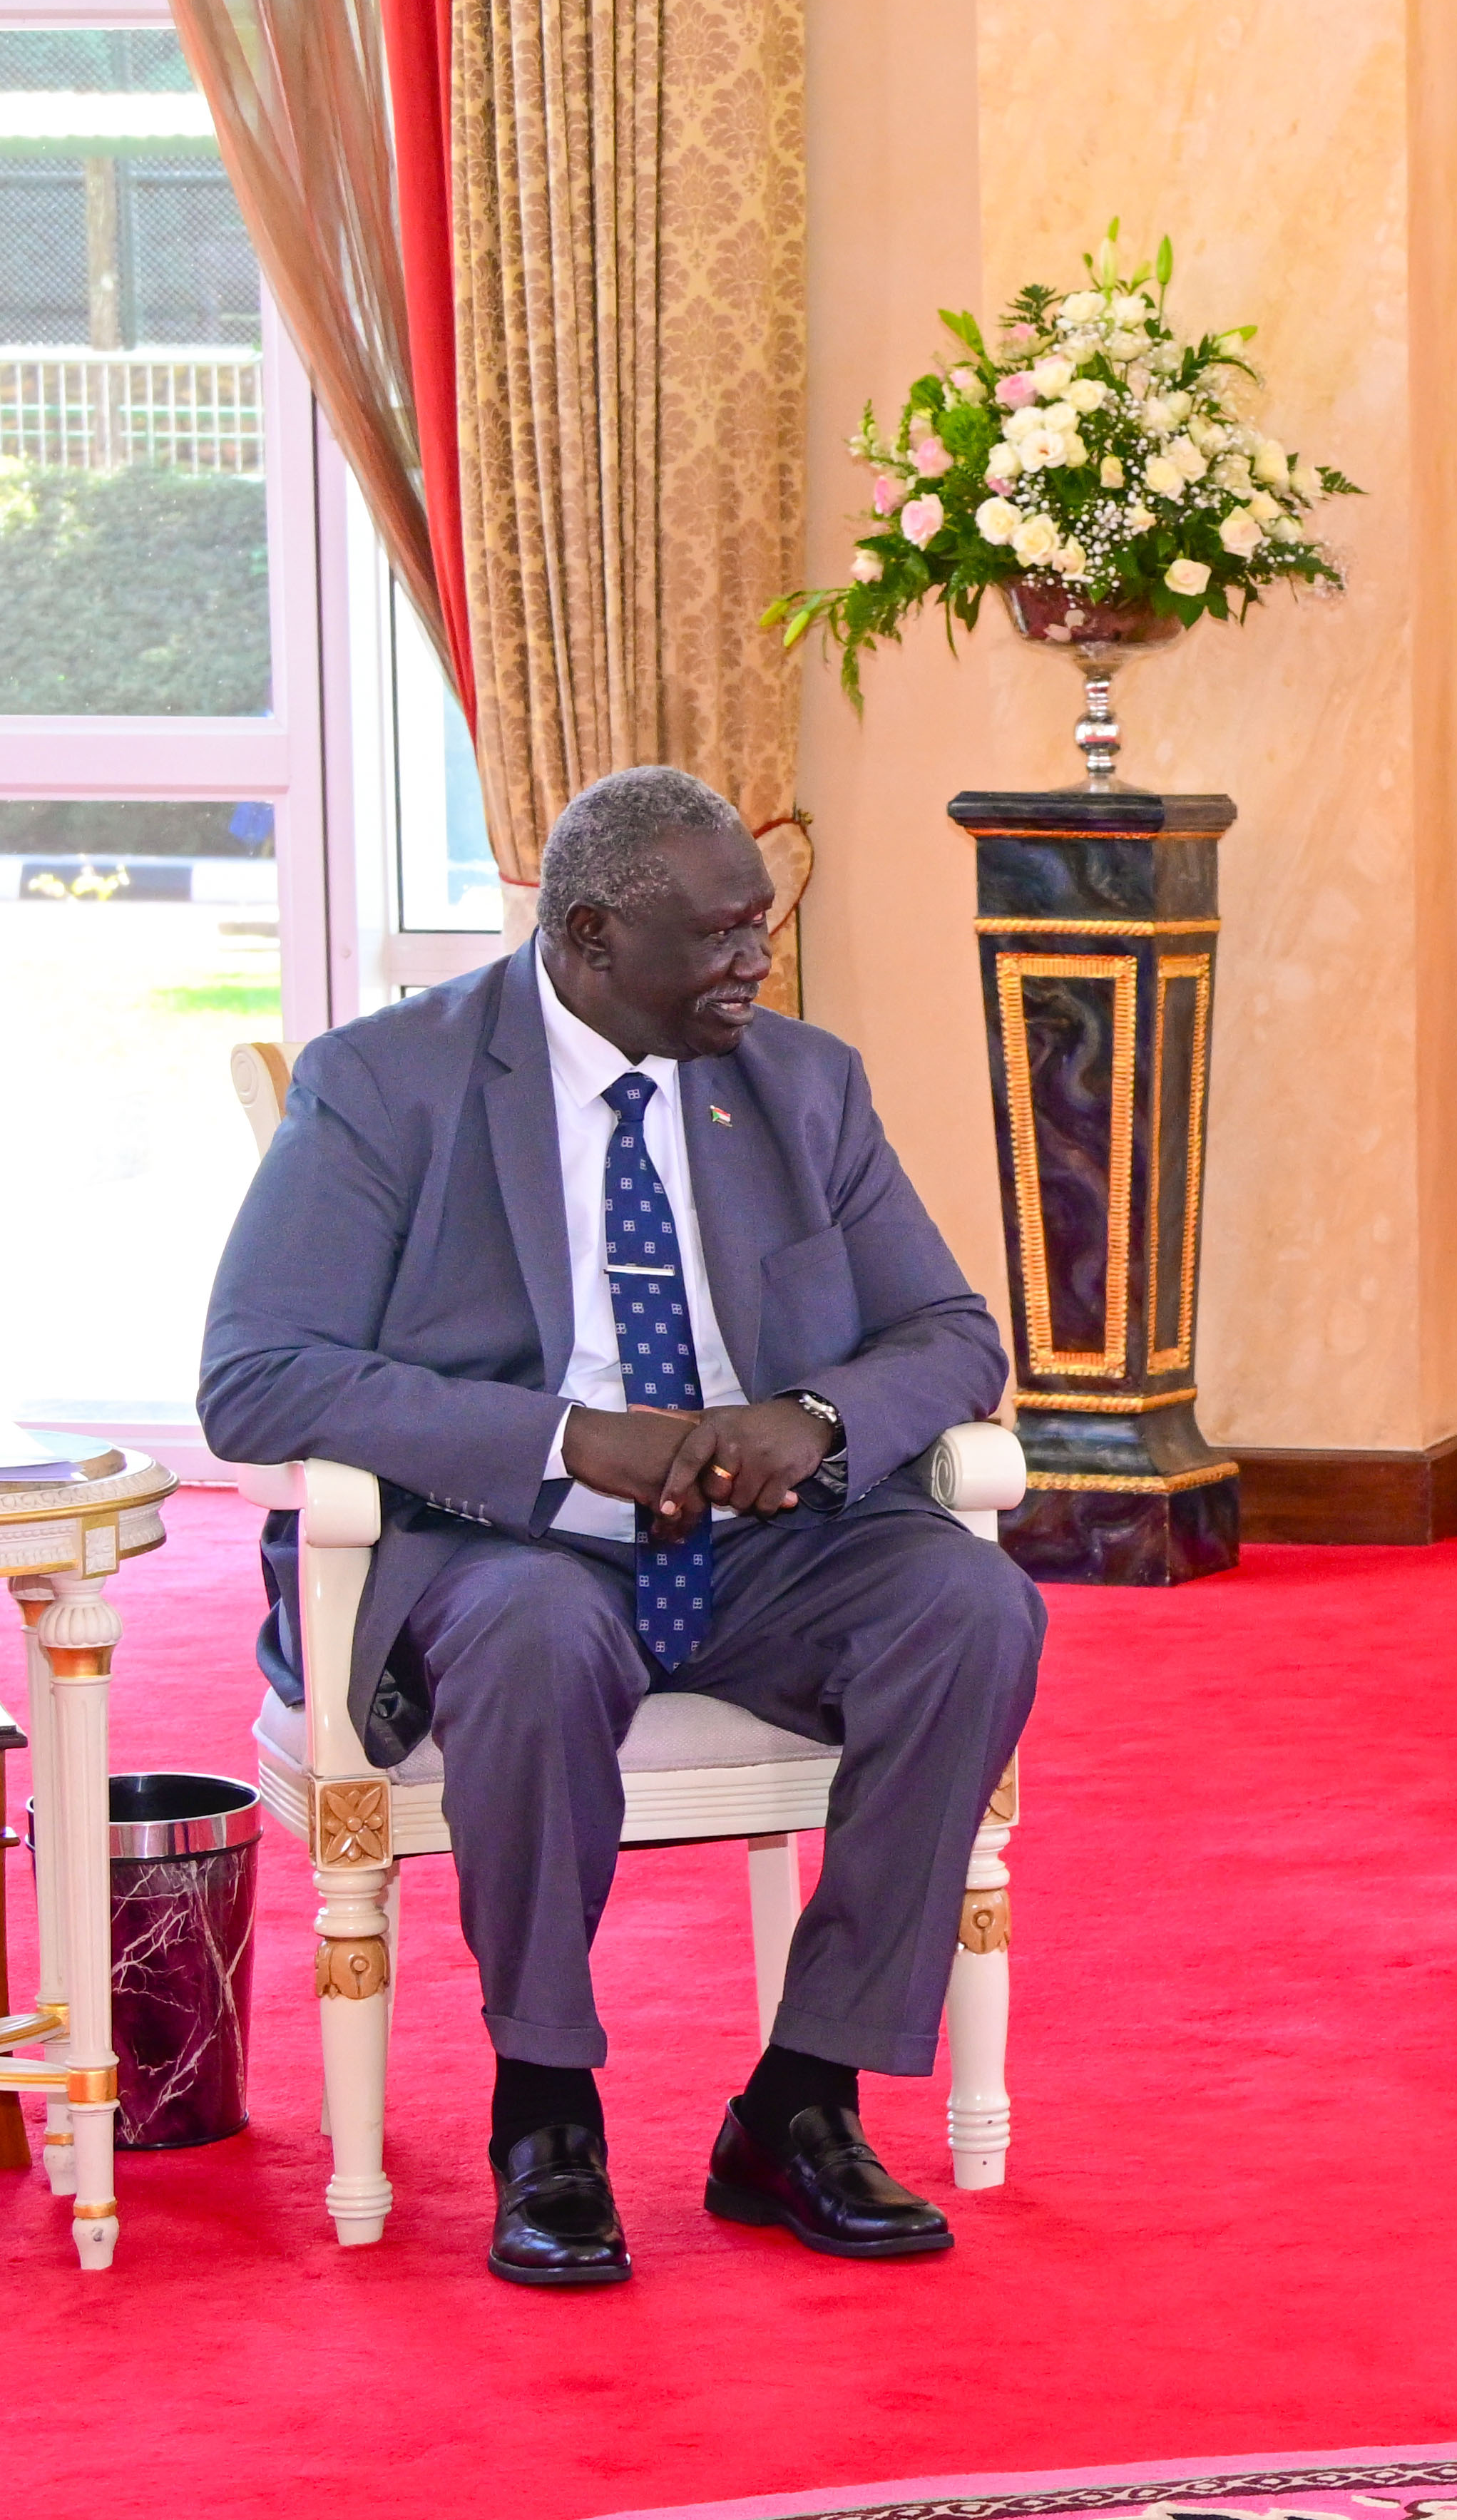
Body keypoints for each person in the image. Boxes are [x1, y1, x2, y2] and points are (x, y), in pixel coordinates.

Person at [202, 765, 1038, 2287]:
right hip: (506, 1543)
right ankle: (546, 2111)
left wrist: (817, 1418)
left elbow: (950, 1332)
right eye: (720, 933)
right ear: (589, 933)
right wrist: (564, 1438)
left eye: (759, 924)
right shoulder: (388, 1082)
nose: (755, 959)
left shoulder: (802, 1082)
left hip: (763, 1545)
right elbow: (257, 1376)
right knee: (535, 1633)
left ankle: (800, 2100)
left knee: (971, 1608)